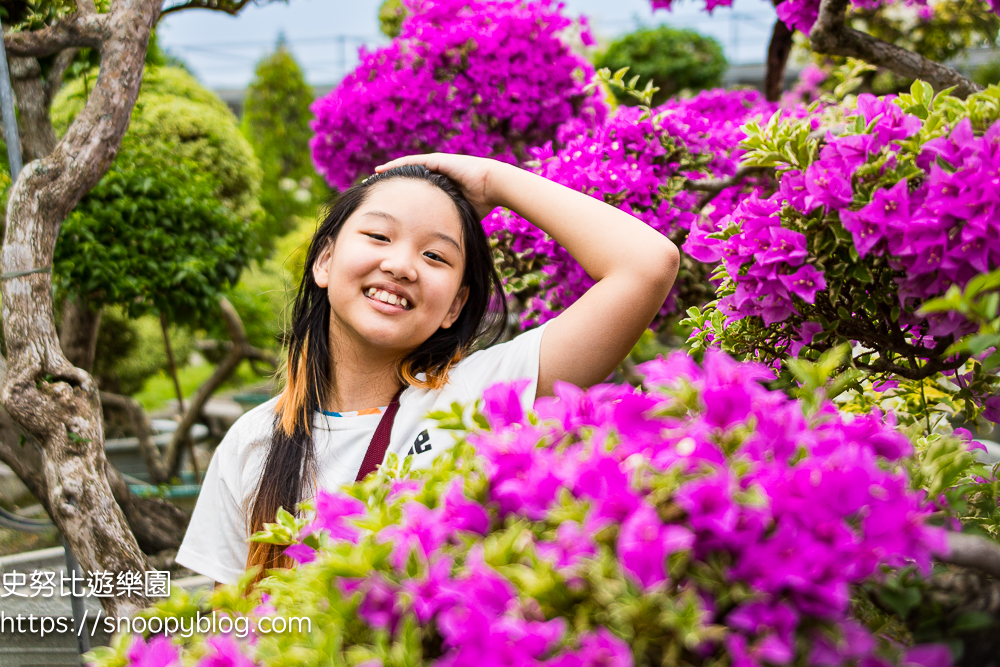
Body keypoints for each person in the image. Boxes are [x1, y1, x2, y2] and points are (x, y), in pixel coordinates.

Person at [176, 153, 679, 585]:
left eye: (435, 255)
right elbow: (230, 626)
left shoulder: (484, 395)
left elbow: (647, 264)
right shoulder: (253, 441)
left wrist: (494, 180)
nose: (401, 265)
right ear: (324, 261)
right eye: (378, 235)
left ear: (456, 306)